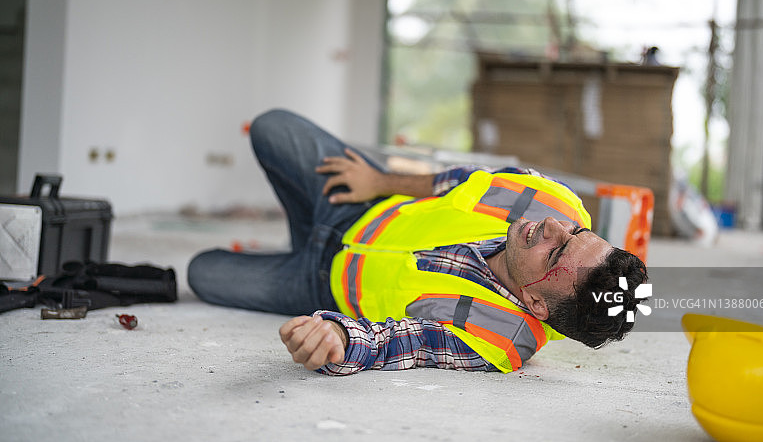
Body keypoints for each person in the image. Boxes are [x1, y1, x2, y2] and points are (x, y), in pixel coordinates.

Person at [188, 109, 649, 375]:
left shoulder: (501, 340)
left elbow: (403, 343)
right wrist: (378, 180)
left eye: (557, 251)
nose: (552, 227)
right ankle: (304, 224)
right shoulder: (555, 201)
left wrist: (337, 337)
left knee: (201, 273)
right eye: (577, 232)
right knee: (272, 127)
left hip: (322, 283)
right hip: (360, 207)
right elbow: (459, 179)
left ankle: (297, 246)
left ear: (536, 304)